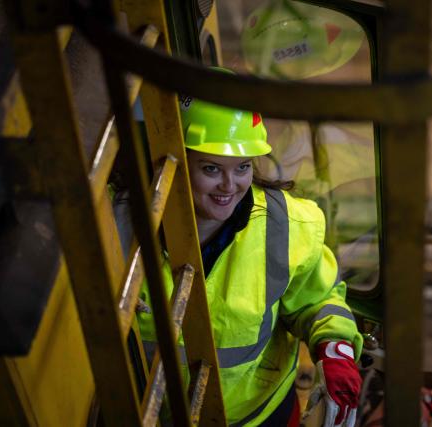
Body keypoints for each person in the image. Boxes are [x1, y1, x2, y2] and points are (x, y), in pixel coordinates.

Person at [137, 71, 362, 427]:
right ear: (173, 160)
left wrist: (336, 352)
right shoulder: (121, 226)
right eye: (211, 168)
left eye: (242, 167)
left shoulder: (286, 226)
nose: (230, 185)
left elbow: (317, 300)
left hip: (261, 416)